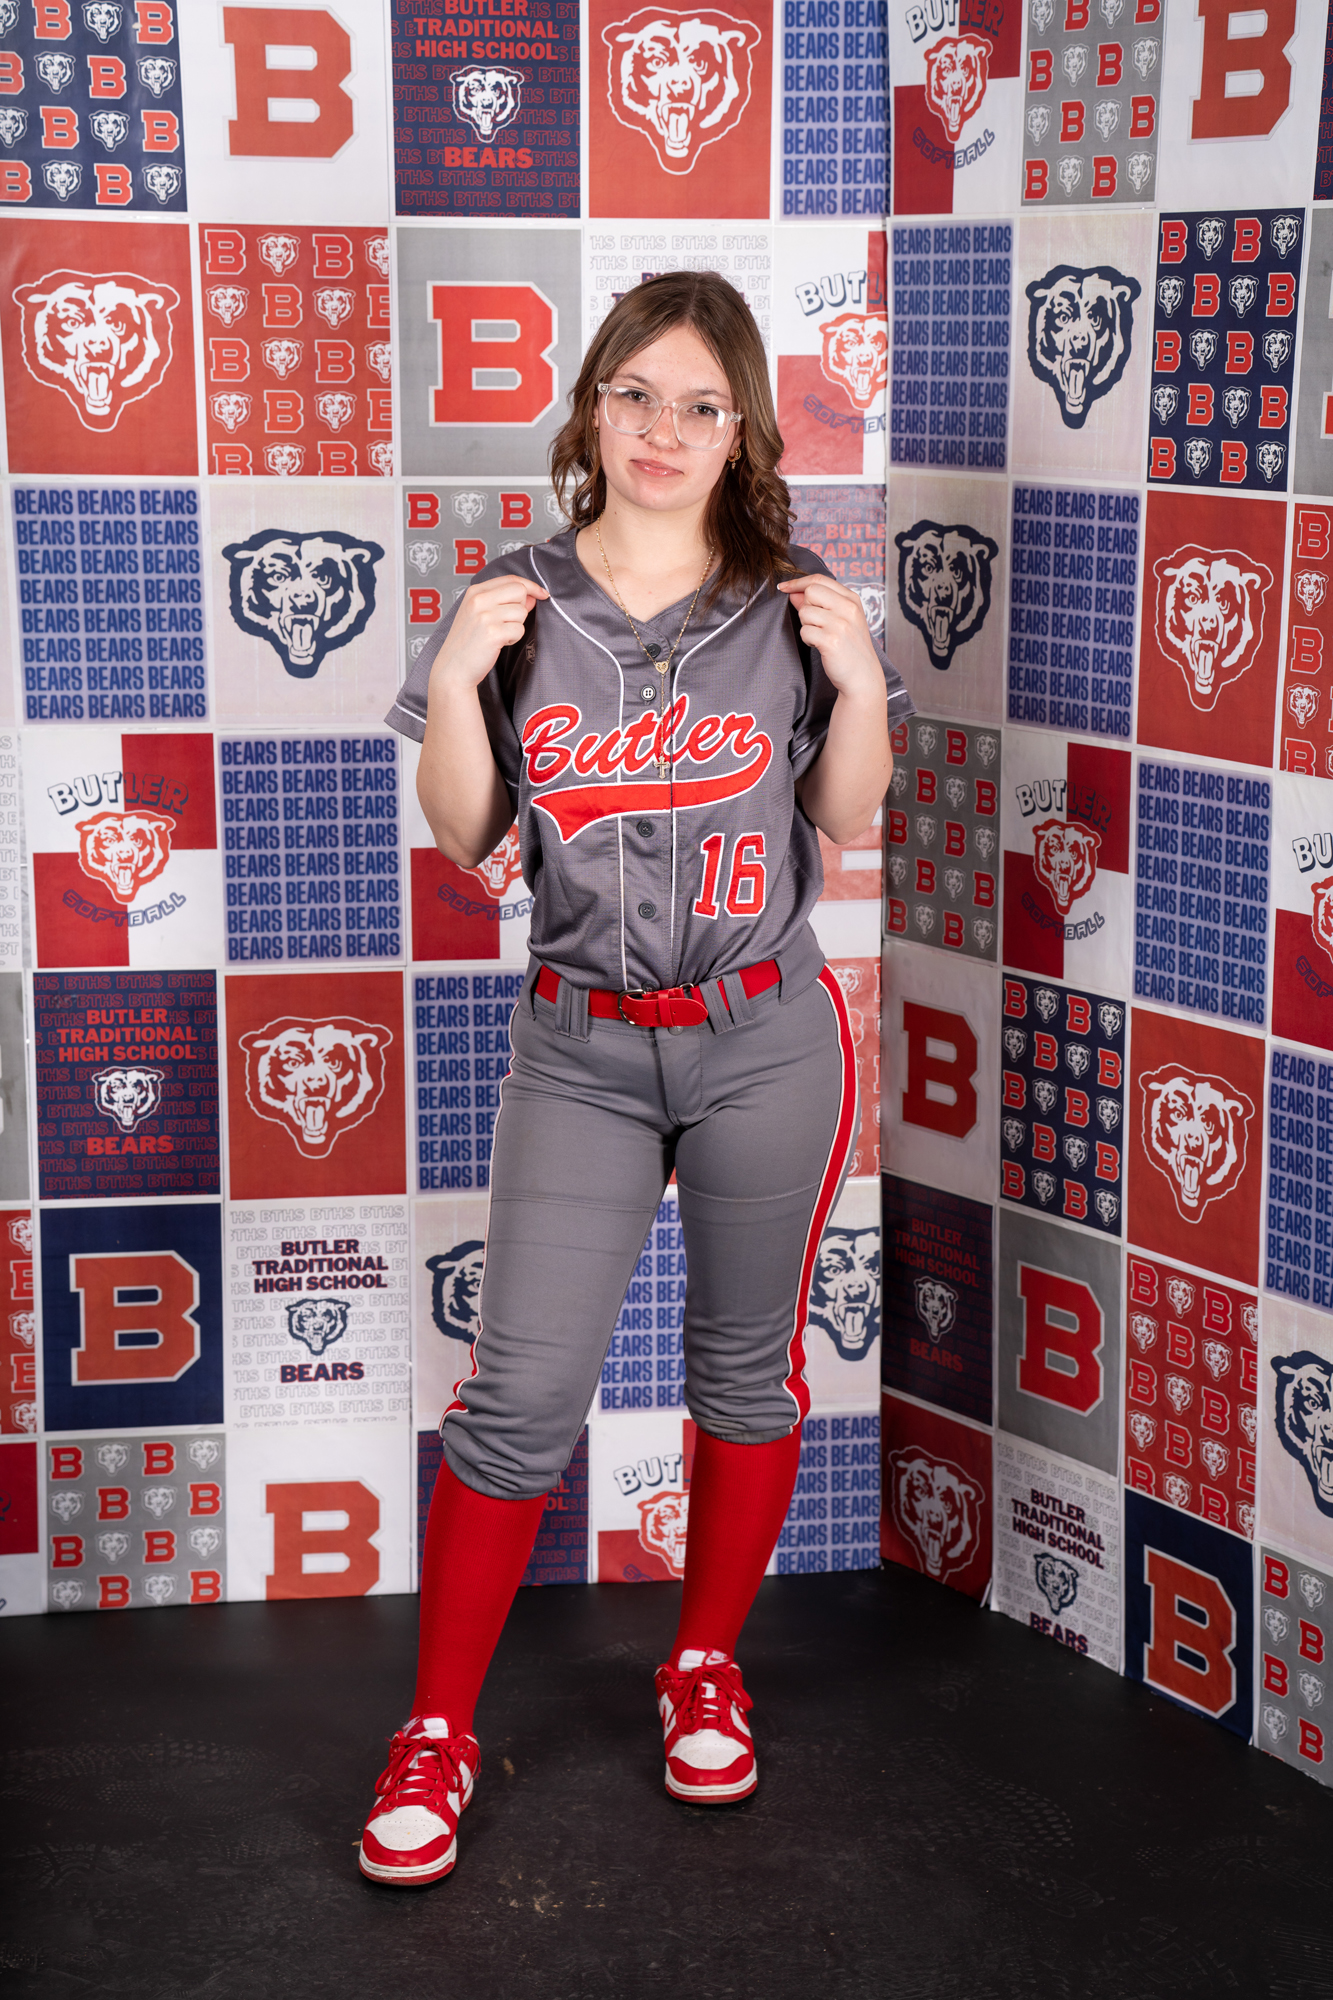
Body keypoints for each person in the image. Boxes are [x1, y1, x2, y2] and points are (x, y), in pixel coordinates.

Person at [364, 270, 913, 1886]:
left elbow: (849, 818)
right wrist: (454, 681)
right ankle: (435, 1730)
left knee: (744, 1373)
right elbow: (468, 836)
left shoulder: (794, 600)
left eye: (697, 403)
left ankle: (703, 1667)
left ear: (739, 428)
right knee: (521, 1398)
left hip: (763, 1037)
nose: (662, 429)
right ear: (591, 408)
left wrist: (858, 679)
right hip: (583, 1046)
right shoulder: (513, 603)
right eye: (634, 395)